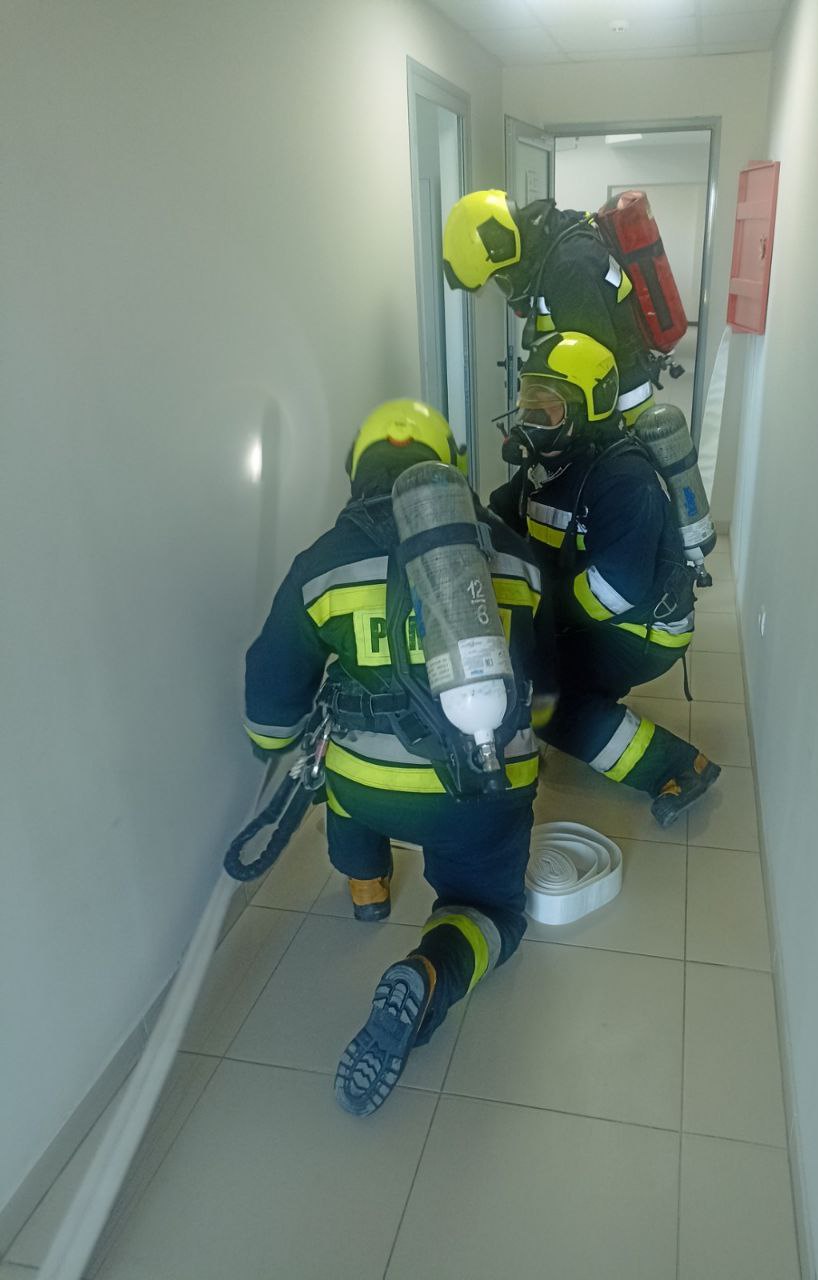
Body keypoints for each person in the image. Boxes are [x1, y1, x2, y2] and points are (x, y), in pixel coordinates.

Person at [243, 399, 549, 1116]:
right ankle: (432, 969)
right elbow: (541, 679)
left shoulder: (321, 563)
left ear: (357, 467)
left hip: (367, 786)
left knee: (345, 800)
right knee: (493, 908)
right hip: (481, 786)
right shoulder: (512, 554)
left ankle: (368, 892)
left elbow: (272, 684)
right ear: (451, 465)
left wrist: (273, 745)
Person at [488, 331, 720, 827]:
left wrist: (539, 618)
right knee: (534, 665)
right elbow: (506, 517)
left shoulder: (624, 480)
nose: (529, 417)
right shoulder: (548, 464)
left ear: (586, 408)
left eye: (546, 406)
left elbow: (616, 590)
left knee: (546, 703)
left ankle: (678, 767)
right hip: (590, 614)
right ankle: (589, 697)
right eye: (526, 400)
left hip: (644, 629)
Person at [443, 189, 659, 424]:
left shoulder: (569, 269)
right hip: (606, 398)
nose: (504, 290)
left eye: (499, 279)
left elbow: (590, 370)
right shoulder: (551, 245)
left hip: (619, 410)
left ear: (502, 249)